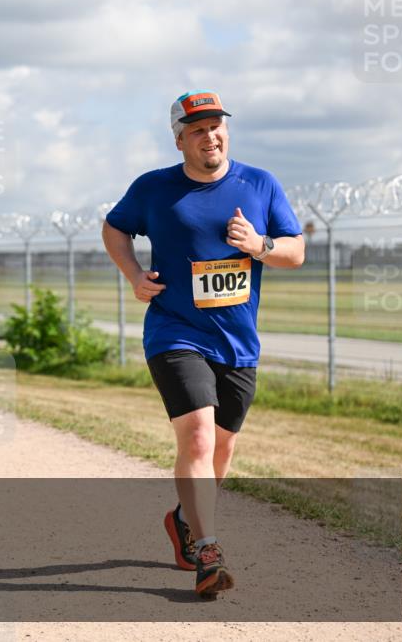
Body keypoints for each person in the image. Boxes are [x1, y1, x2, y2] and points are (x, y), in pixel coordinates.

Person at [102, 91, 305, 597]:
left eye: (216, 126)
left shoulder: (259, 183)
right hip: (174, 331)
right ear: (179, 140)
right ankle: (209, 551)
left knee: (221, 451)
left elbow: (296, 251)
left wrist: (260, 245)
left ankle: (183, 522)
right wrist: (133, 275)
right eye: (197, 129)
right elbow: (114, 229)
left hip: (237, 342)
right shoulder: (154, 189)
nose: (209, 136)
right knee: (196, 437)